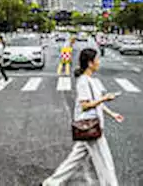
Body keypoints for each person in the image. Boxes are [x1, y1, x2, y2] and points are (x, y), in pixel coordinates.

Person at [43, 48, 123, 186]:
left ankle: (51, 183)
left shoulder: (90, 80)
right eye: (97, 60)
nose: (99, 62)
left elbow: (96, 104)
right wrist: (105, 98)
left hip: (89, 127)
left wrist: (112, 114)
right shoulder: (83, 81)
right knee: (105, 162)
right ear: (90, 63)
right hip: (90, 127)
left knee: (74, 160)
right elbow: (85, 105)